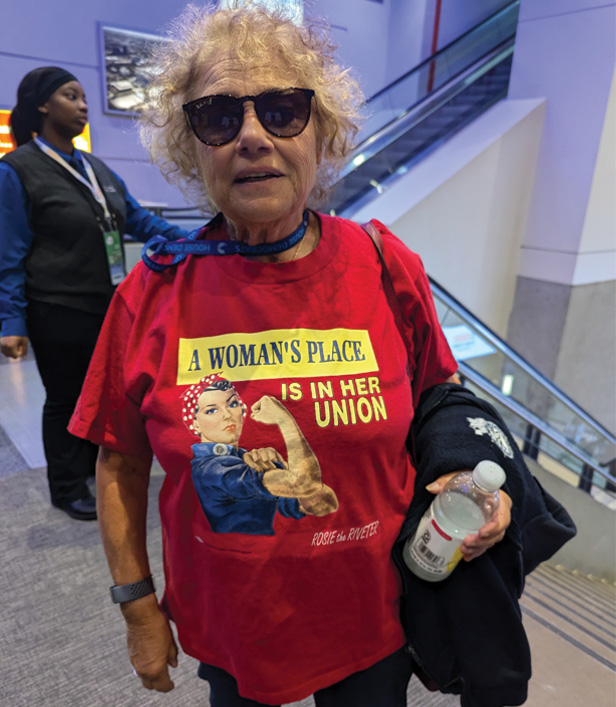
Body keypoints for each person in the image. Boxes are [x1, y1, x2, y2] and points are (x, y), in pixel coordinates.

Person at [68, 4, 512, 705]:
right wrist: (137, 608)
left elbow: (440, 406)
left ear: (322, 130)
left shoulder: (385, 265)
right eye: (218, 116)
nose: (251, 136)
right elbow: (118, 463)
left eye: (282, 109)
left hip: (372, 621)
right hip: (232, 629)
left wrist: (478, 487)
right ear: (193, 146)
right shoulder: (149, 296)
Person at [0, 66, 188, 521]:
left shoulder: (94, 168)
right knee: (65, 396)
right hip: (56, 305)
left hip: (109, 304)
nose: (83, 105)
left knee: (102, 393)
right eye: (71, 95)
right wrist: (11, 322)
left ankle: (89, 467)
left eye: (84, 96)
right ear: (43, 105)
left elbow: (141, 222)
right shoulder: (16, 170)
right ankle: (66, 486)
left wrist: (206, 237)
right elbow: (9, 252)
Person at [185, 374, 338, 534]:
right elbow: (304, 484)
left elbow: (324, 505)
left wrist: (285, 468)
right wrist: (285, 421)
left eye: (232, 404)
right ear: (195, 423)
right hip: (234, 555)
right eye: (211, 410)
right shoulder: (212, 468)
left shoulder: (242, 459)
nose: (227, 415)